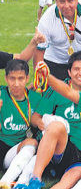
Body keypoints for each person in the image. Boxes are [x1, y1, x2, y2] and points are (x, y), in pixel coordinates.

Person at [0, 59, 41, 189]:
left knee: (33, 143)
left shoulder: (36, 98)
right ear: (6, 78)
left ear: (27, 78)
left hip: (21, 150)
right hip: (2, 147)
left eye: (21, 78)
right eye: (12, 78)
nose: (16, 84)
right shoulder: (1, 95)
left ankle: (10, 182)